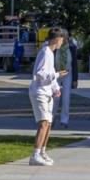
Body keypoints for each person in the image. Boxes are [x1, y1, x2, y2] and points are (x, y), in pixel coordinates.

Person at [28, 28, 69, 167]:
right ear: (56, 39)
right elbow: (40, 74)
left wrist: (55, 87)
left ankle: (42, 152)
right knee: (44, 123)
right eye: (62, 39)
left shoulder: (50, 52)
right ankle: (35, 155)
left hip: (46, 92)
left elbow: (49, 73)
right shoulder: (45, 52)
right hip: (39, 92)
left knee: (49, 123)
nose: (62, 42)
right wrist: (57, 75)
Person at [53, 34, 76, 128]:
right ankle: (51, 119)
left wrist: (75, 79)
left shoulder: (71, 48)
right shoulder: (55, 47)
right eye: (61, 36)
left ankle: (64, 120)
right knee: (55, 98)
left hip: (67, 74)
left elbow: (74, 64)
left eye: (65, 37)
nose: (63, 39)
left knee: (66, 98)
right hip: (56, 74)